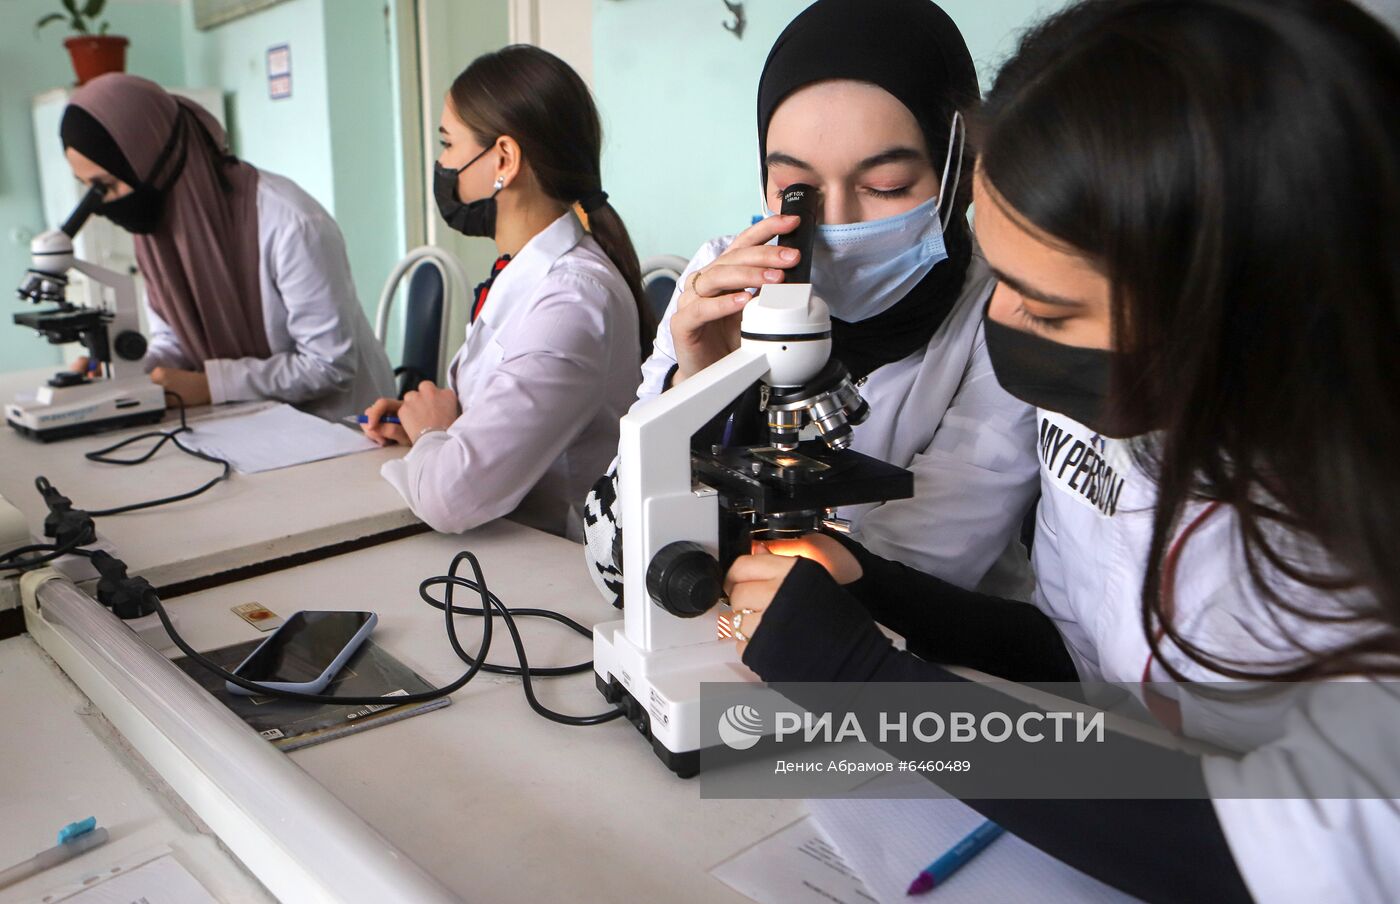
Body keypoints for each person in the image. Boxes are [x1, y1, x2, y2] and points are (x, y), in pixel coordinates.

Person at [723, 0, 1400, 901]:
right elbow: (1083, 657)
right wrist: (874, 588)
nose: (1001, 323)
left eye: (1045, 309)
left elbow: (1305, 849)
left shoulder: (1361, 524)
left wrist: (868, 685)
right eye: (999, 278)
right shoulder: (1105, 409)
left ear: (1238, 305)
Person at [582, 0, 1041, 606]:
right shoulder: (717, 281)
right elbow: (612, 554)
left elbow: (922, 562)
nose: (836, 223)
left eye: (886, 187)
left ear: (957, 170)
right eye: (796, 190)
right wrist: (693, 389)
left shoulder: (1004, 312)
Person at [363, 46, 651, 540]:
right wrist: (430, 425)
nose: (441, 162)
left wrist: (434, 436)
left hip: (551, 573)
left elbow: (450, 497)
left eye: (448, 143)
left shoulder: (573, 303)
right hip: (507, 549)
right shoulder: (526, 270)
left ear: (504, 159)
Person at [60, 74, 394, 420]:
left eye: (108, 186)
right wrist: (128, 371)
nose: (101, 207)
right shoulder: (158, 234)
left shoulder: (293, 224)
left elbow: (329, 366)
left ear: (150, 160)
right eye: (88, 188)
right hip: (247, 422)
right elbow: (175, 340)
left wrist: (211, 385)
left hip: (342, 425)